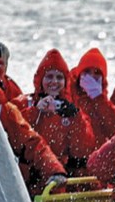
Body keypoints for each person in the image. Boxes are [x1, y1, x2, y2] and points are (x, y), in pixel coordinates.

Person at [0, 54, 67, 197]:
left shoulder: (4, 109)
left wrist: (55, 170)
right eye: (49, 77)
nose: (54, 82)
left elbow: (32, 142)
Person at [17, 49, 96, 178]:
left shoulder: (72, 111)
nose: (54, 82)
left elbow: (82, 151)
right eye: (49, 76)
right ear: (40, 79)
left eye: (59, 77)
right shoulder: (25, 104)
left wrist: (75, 118)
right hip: (30, 180)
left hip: (60, 179)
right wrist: (36, 111)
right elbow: (16, 137)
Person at [69, 47, 115, 148]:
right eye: (87, 72)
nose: (91, 76)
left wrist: (98, 98)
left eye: (96, 73)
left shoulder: (103, 101)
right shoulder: (68, 94)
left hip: (98, 158)